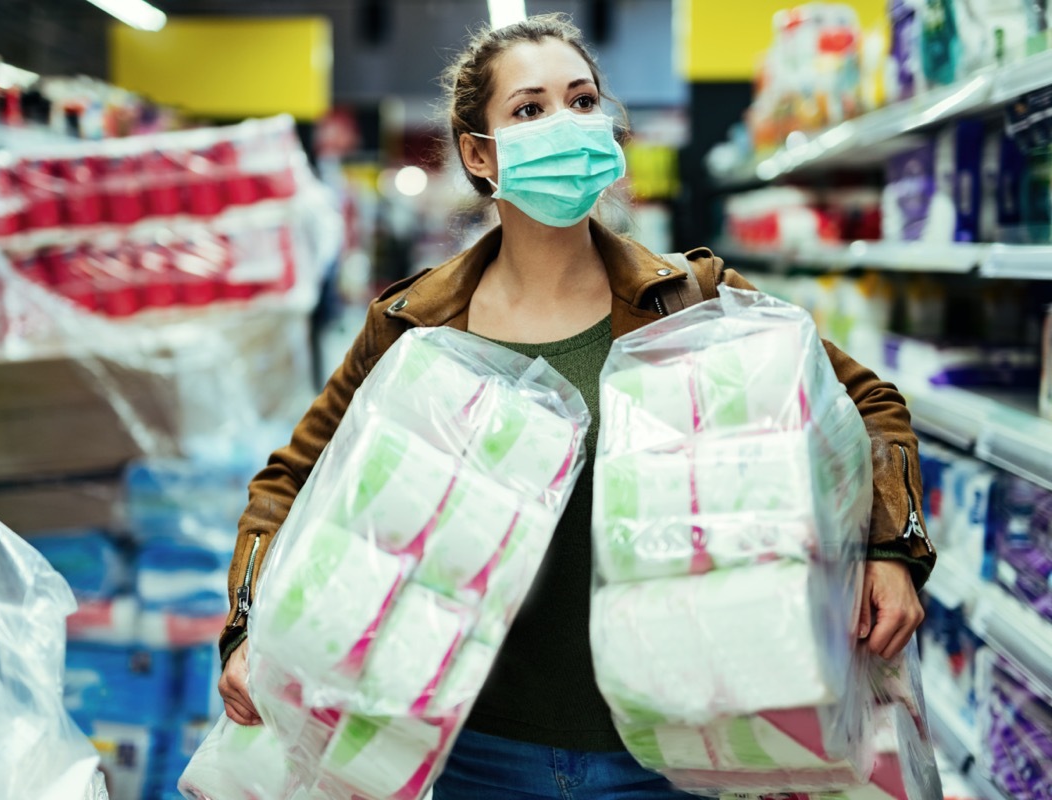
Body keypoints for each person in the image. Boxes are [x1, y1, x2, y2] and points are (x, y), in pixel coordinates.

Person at [217, 13, 935, 799]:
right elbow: (288, 483)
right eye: (529, 109)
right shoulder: (415, 327)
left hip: (671, 751)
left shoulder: (687, 299)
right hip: (476, 752)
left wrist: (890, 550)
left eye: (583, 100)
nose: (567, 124)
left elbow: (869, 403)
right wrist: (247, 632)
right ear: (479, 154)